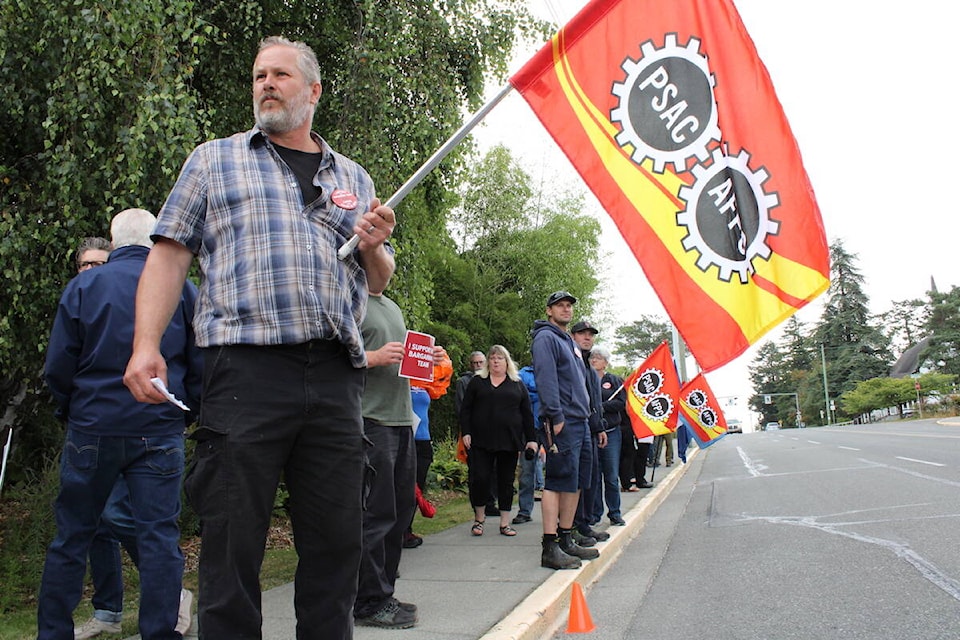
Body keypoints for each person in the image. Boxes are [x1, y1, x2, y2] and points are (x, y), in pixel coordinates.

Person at [123, 36, 396, 640]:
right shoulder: (213, 160)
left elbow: (378, 279)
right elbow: (168, 258)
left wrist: (375, 247)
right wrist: (146, 346)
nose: (265, 84)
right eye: (258, 76)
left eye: (279, 75)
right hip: (243, 373)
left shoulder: (351, 176)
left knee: (335, 548)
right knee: (230, 545)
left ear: (314, 90)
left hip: (333, 377)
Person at [40, 208, 201, 640]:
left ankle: (53, 632)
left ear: (114, 242)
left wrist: (71, 410)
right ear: (154, 240)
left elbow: (59, 363)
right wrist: (189, 411)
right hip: (160, 424)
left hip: (94, 424)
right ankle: (159, 632)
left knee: (72, 536)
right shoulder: (183, 290)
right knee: (159, 541)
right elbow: (199, 359)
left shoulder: (85, 286)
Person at [355, 291, 445, 629]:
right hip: (369, 421)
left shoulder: (391, 306)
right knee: (374, 516)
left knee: (398, 513)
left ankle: (384, 594)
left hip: (402, 421)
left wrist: (429, 359)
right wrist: (374, 357)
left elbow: (407, 366)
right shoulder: (351, 300)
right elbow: (331, 358)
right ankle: (368, 601)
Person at [531, 291, 599, 569]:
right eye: (560, 305)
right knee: (557, 481)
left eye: (569, 305)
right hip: (563, 420)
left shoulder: (568, 341)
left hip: (580, 420)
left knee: (576, 481)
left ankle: (566, 537)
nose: (566, 309)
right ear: (549, 310)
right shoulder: (546, 338)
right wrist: (555, 414)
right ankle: (550, 546)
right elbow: (545, 377)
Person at [460, 345, 537, 537]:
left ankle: (505, 522)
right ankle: (479, 519)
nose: (495, 361)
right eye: (492, 358)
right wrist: (466, 432)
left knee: (506, 481)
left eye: (500, 358)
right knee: (480, 479)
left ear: (507, 361)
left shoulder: (517, 383)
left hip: (509, 441)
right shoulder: (478, 382)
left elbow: (527, 414)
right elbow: (466, 409)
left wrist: (531, 440)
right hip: (480, 440)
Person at [569, 320, 610, 545]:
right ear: (573, 336)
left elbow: (595, 402)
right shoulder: (571, 362)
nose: (587, 337)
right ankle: (572, 525)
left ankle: (584, 523)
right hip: (573, 426)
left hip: (592, 428)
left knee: (591, 477)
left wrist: (600, 426)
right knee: (575, 478)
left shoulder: (589, 368)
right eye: (582, 333)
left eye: (591, 334)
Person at [455, 350, 498, 517]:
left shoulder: (491, 380)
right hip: (473, 433)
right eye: (475, 363)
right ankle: (478, 504)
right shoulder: (464, 382)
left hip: (492, 433)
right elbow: (461, 409)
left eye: (481, 362)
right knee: (477, 471)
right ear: (470, 364)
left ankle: (490, 502)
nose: (478, 365)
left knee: (493, 470)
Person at [588, 345, 627, 526]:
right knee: (594, 476)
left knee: (611, 476)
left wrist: (602, 406)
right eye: (592, 357)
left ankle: (615, 512)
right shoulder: (586, 379)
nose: (594, 360)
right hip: (592, 433)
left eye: (598, 357)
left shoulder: (613, 380)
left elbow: (621, 402)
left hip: (612, 433)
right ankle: (595, 514)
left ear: (605, 362)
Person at [513, 365, 545, 525]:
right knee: (526, 471)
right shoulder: (523, 374)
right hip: (528, 428)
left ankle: (561, 513)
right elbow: (520, 396)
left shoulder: (558, 369)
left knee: (558, 471)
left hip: (550, 427)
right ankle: (524, 511)